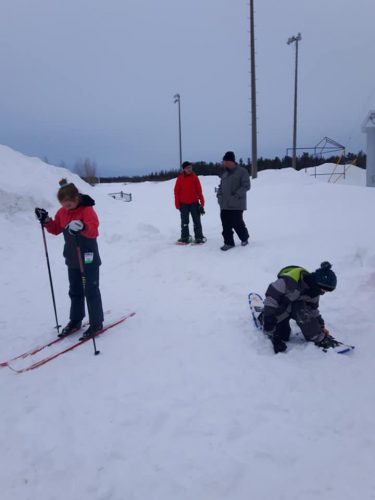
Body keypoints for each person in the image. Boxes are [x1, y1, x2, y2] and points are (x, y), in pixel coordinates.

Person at [35, 178, 104, 339]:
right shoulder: (62, 213)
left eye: (69, 204)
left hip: (88, 258)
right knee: (75, 291)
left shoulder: (87, 210)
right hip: (72, 258)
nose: (66, 208)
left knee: (91, 290)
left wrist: (83, 226)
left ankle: (96, 322)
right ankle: (76, 320)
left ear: (76, 198)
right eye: (63, 205)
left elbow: (94, 231)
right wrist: (45, 221)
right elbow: (55, 229)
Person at [262, 262, 339, 353]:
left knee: (301, 309)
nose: (323, 292)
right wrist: (269, 319)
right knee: (284, 336)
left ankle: (317, 337)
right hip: (279, 308)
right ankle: (263, 319)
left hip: (296, 309)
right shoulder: (288, 281)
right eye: (323, 289)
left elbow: (313, 310)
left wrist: (321, 327)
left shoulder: (314, 292)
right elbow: (271, 298)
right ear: (317, 284)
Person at [216, 151, 250, 251]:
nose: (224, 163)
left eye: (225, 161)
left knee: (237, 223)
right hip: (224, 205)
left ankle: (244, 238)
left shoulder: (242, 171)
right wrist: (219, 196)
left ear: (231, 161)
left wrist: (236, 196)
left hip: (237, 204)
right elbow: (221, 186)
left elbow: (246, 186)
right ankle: (228, 242)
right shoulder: (225, 174)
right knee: (225, 225)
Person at [174, 161, 206, 244]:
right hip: (183, 204)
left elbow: (199, 191)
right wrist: (177, 203)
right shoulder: (180, 178)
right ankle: (185, 237)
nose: (189, 169)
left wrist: (202, 202)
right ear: (184, 169)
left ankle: (199, 237)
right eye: (187, 168)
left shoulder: (195, 177)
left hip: (194, 203)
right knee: (184, 222)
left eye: (190, 167)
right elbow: (176, 191)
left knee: (197, 221)